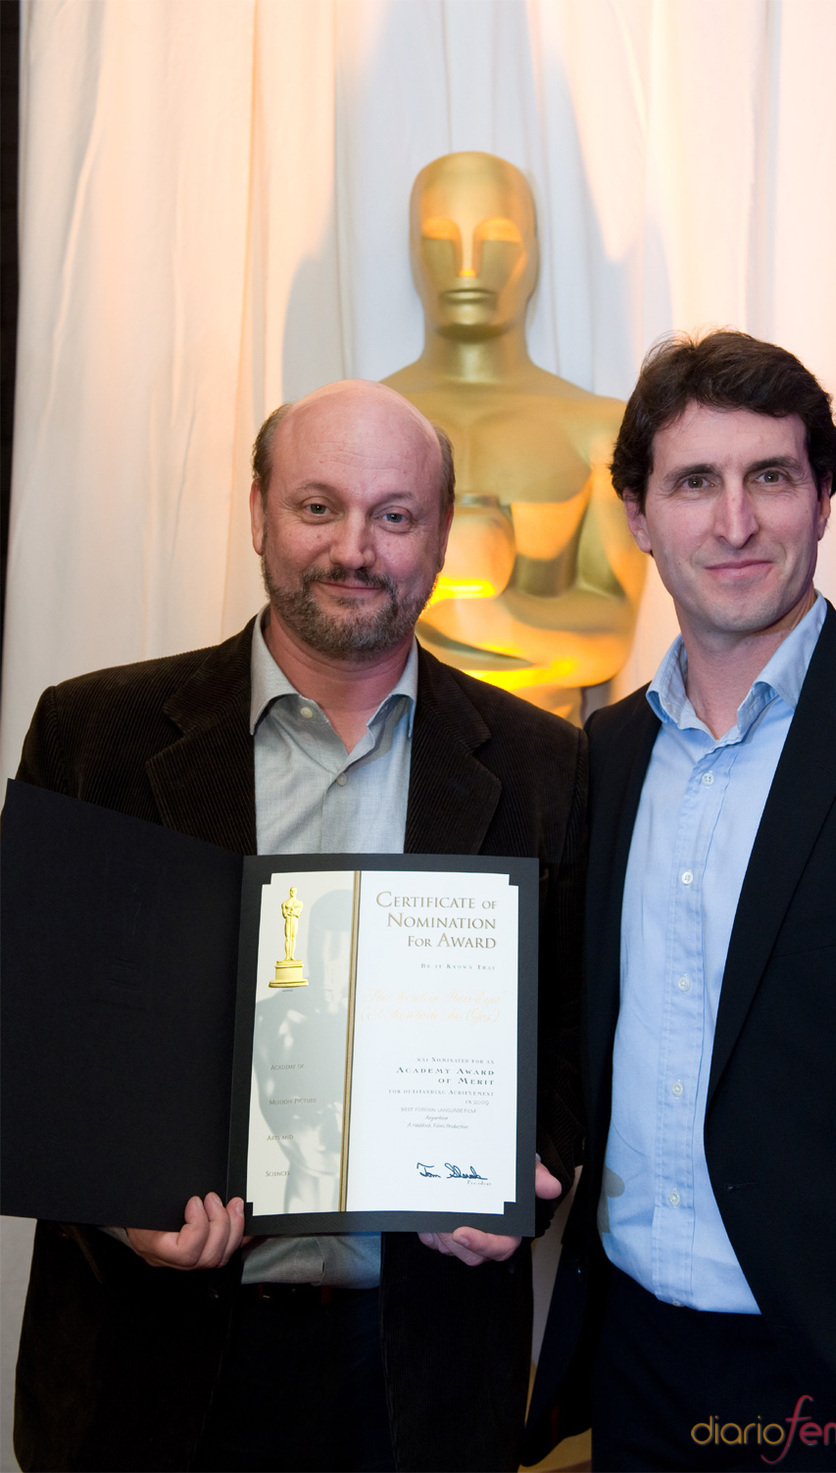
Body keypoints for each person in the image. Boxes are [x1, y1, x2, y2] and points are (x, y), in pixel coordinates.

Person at [12, 380, 587, 1473]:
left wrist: (526, 1171)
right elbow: (39, 1031)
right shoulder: (96, 735)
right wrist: (110, 1199)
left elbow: (567, 1030)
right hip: (148, 1366)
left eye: (394, 513)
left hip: (416, 1373)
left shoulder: (539, 762)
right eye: (317, 507)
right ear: (258, 513)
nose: (354, 548)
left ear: (438, 533)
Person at [528, 331, 836, 1472]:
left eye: (768, 477)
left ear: (821, 498)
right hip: (635, 1366)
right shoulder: (603, 756)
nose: (733, 523)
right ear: (635, 514)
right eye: (692, 483)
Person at [384, 150, 646, 722]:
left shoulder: (598, 430)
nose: (469, 266)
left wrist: (489, 620)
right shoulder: (358, 425)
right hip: (384, 759)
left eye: (498, 239)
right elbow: (323, 626)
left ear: (533, 252)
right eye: (439, 239)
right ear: (409, 251)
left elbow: (610, 638)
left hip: (546, 768)